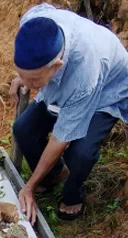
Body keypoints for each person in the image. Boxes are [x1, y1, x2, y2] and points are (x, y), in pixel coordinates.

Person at [11, 4, 128, 224]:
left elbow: (60, 138)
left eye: (34, 81)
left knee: (80, 153)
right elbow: (30, 61)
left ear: (56, 66)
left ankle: (73, 194)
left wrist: (29, 187)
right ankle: (53, 174)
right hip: (65, 79)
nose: (29, 85)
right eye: (24, 76)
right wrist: (24, 76)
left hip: (105, 91)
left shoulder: (84, 72)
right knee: (23, 129)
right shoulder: (33, 22)